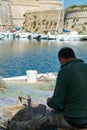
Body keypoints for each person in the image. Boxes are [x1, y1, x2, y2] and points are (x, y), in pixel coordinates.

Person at [8, 47, 87, 130]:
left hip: (73, 121)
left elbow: (57, 104)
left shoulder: (64, 72)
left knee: (38, 121)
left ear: (61, 59)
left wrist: (49, 102)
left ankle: (10, 125)